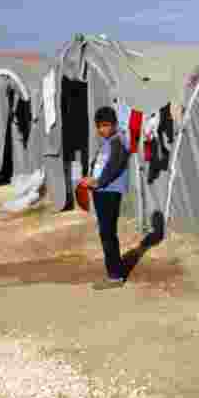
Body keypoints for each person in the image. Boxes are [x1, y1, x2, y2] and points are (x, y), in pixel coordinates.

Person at [82, 107, 131, 291]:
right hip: (102, 191)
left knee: (108, 233)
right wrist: (90, 180)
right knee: (105, 232)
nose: (102, 129)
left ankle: (115, 276)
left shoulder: (119, 141)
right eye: (99, 126)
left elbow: (114, 167)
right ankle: (115, 271)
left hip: (109, 191)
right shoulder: (107, 142)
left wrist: (99, 182)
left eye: (106, 125)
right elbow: (100, 165)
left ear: (114, 124)